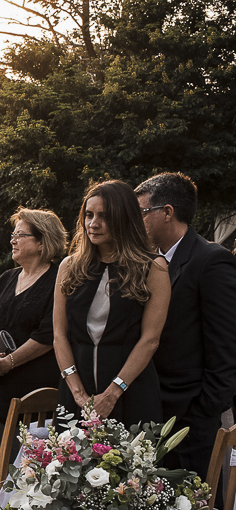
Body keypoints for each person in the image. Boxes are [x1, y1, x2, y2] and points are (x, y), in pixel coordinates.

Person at [135, 173, 236, 474]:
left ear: (167, 212)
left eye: (141, 213)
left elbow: (226, 348)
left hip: (192, 420)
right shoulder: (150, 264)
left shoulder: (211, 261)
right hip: (154, 411)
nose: (136, 222)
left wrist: (202, 412)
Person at [54, 180, 170, 427]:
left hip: (130, 392)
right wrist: (77, 393)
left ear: (124, 218)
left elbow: (150, 340)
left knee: (128, 464)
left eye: (104, 216)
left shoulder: (154, 267)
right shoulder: (69, 267)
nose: (93, 224)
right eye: (88, 215)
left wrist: (113, 393)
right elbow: (59, 335)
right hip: (76, 392)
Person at [0, 208, 67, 469]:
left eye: (20, 235)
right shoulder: (7, 277)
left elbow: (48, 335)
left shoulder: (57, 280)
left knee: (28, 472)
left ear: (42, 242)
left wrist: (8, 363)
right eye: (13, 234)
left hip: (37, 394)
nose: (12, 240)